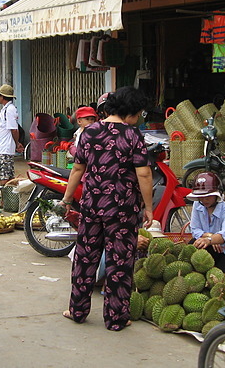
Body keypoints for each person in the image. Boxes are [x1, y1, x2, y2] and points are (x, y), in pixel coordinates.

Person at [60, 86, 154, 331]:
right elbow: (143, 173)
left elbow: (78, 169)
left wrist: (68, 199)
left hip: (91, 207)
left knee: (85, 258)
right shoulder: (133, 135)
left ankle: (77, 310)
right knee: (119, 263)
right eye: (139, 113)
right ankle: (116, 319)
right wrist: (149, 208)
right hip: (123, 211)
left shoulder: (89, 132)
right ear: (131, 110)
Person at [0, 84, 23, 186]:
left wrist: (17, 143)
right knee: (8, 175)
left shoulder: (9, 109)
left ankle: (5, 200)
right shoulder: (6, 109)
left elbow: (14, 129)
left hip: (4, 148)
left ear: (2, 96)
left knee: (4, 176)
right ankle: (10, 199)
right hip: (3, 148)